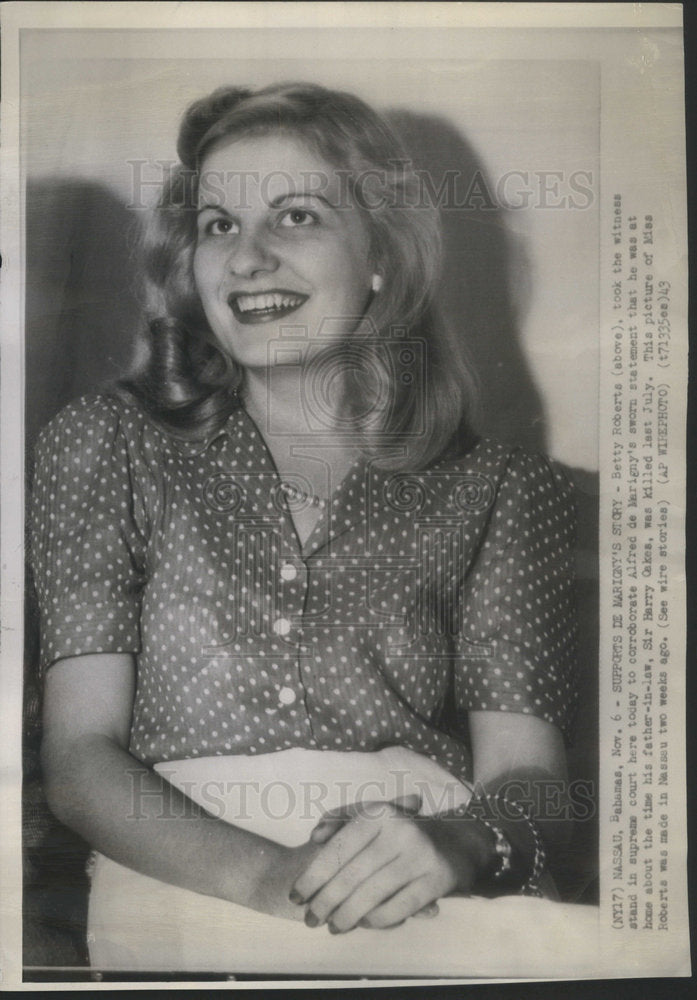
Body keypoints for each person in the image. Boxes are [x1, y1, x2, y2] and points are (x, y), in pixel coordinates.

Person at [31, 82, 578, 964]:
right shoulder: (104, 444)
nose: (245, 259)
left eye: (294, 217)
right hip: (182, 890)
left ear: (381, 258)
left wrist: (460, 846)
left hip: (426, 897)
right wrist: (270, 881)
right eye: (217, 226)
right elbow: (80, 762)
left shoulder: (501, 486)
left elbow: (536, 786)